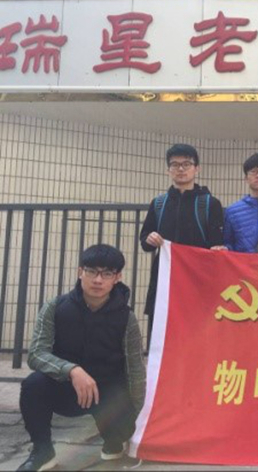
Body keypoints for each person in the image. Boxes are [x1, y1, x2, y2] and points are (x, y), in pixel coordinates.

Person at [18, 245, 145, 472]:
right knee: (33, 385)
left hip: (108, 394)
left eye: (107, 273)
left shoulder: (127, 318)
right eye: (91, 271)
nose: (98, 280)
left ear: (117, 277)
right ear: (80, 272)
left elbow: (135, 367)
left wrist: (136, 413)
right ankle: (43, 450)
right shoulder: (56, 307)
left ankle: (114, 441)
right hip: (66, 388)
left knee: (123, 425)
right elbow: (36, 353)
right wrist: (71, 370)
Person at [140, 144, 224, 334]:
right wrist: (149, 238)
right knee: (161, 331)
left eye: (186, 164)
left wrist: (218, 249)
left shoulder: (210, 204)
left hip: (198, 279)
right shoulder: (159, 203)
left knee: (197, 332)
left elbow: (217, 244)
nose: (180, 169)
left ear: (197, 168)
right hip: (164, 278)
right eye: (175, 164)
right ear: (168, 170)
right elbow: (145, 241)